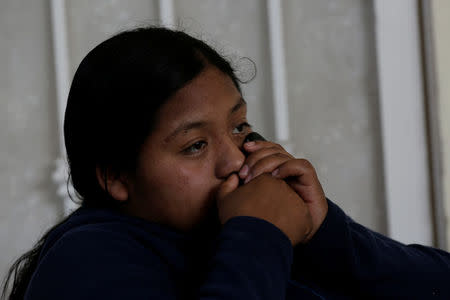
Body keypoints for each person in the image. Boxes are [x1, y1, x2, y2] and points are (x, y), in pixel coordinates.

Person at [2, 26, 449, 300]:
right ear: (117, 177)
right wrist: (260, 236)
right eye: (195, 146)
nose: (236, 158)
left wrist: (325, 231)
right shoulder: (87, 260)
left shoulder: (237, 236)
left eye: (239, 127)